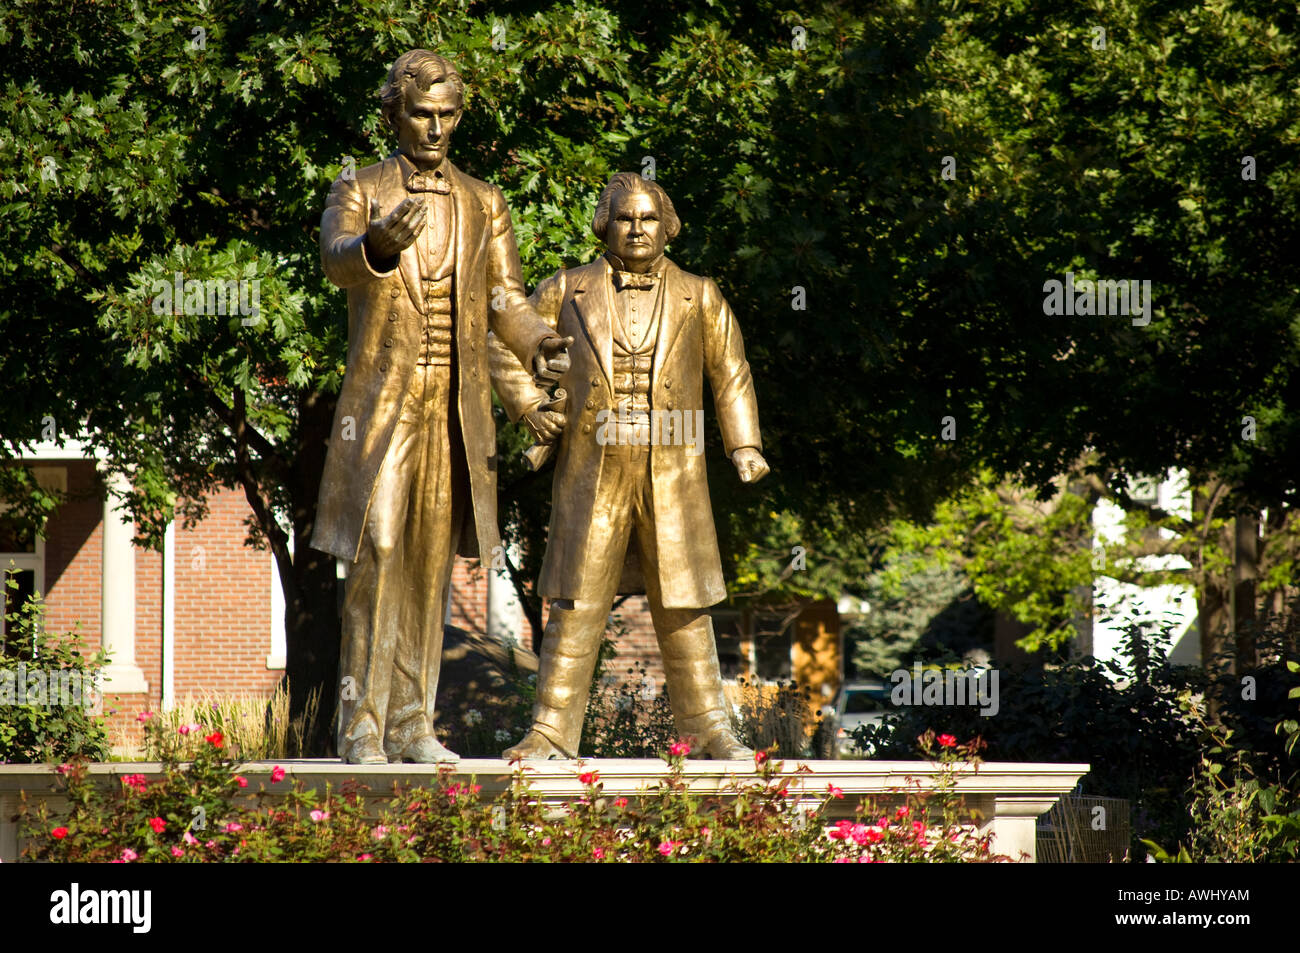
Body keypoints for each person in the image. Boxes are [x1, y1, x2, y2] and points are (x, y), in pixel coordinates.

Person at [311, 50, 570, 764]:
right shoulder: (360, 186)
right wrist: (374, 246)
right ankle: (361, 724)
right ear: (394, 113)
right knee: (380, 550)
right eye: (421, 113)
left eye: (447, 114)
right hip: (384, 403)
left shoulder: (486, 201)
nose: (435, 127)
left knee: (428, 563)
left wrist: (540, 344)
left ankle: (412, 724)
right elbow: (334, 258)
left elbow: (505, 299)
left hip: (453, 414)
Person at [493, 172, 768, 760]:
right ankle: (549, 732)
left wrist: (743, 446)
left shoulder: (701, 294)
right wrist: (530, 405)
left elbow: (732, 371)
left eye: (648, 219)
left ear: (667, 226)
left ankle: (711, 730)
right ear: (605, 225)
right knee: (576, 599)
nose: (637, 229)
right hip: (593, 461)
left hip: (674, 464)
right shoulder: (567, 289)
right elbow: (502, 340)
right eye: (625, 218)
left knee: (683, 602)